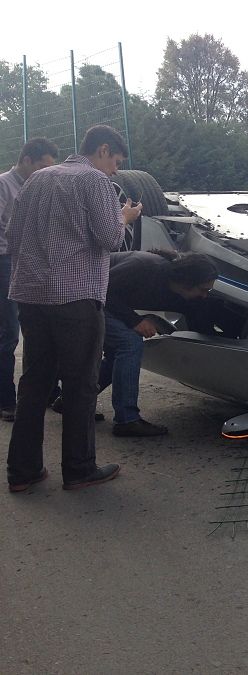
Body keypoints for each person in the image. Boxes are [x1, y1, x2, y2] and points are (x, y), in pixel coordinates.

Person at [6, 125, 142, 492]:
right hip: (76, 299)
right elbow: (110, 238)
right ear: (102, 150)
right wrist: (124, 218)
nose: (115, 170)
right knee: (81, 383)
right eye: (115, 161)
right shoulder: (94, 181)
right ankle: (80, 468)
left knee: (34, 383)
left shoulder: (36, 179)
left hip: (31, 297)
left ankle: (23, 471)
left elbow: (14, 235)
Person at [98, 249, 218, 437]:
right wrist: (134, 320)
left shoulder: (190, 296)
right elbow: (101, 289)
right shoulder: (145, 267)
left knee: (118, 354)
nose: (205, 295)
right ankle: (127, 421)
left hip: (109, 300)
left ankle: (73, 401)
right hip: (86, 297)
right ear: (187, 282)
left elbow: (201, 326)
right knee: (129, 342)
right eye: (203, 289)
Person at [0, 138, 59, 421]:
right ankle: (6, 401)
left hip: (31, 261)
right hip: (5, 261)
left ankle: (45, 391)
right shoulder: (3, 185)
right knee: (9, 333)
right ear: (25, 160)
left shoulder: (39, 188)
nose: (45, 173)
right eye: (42, 167)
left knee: (39, 329)